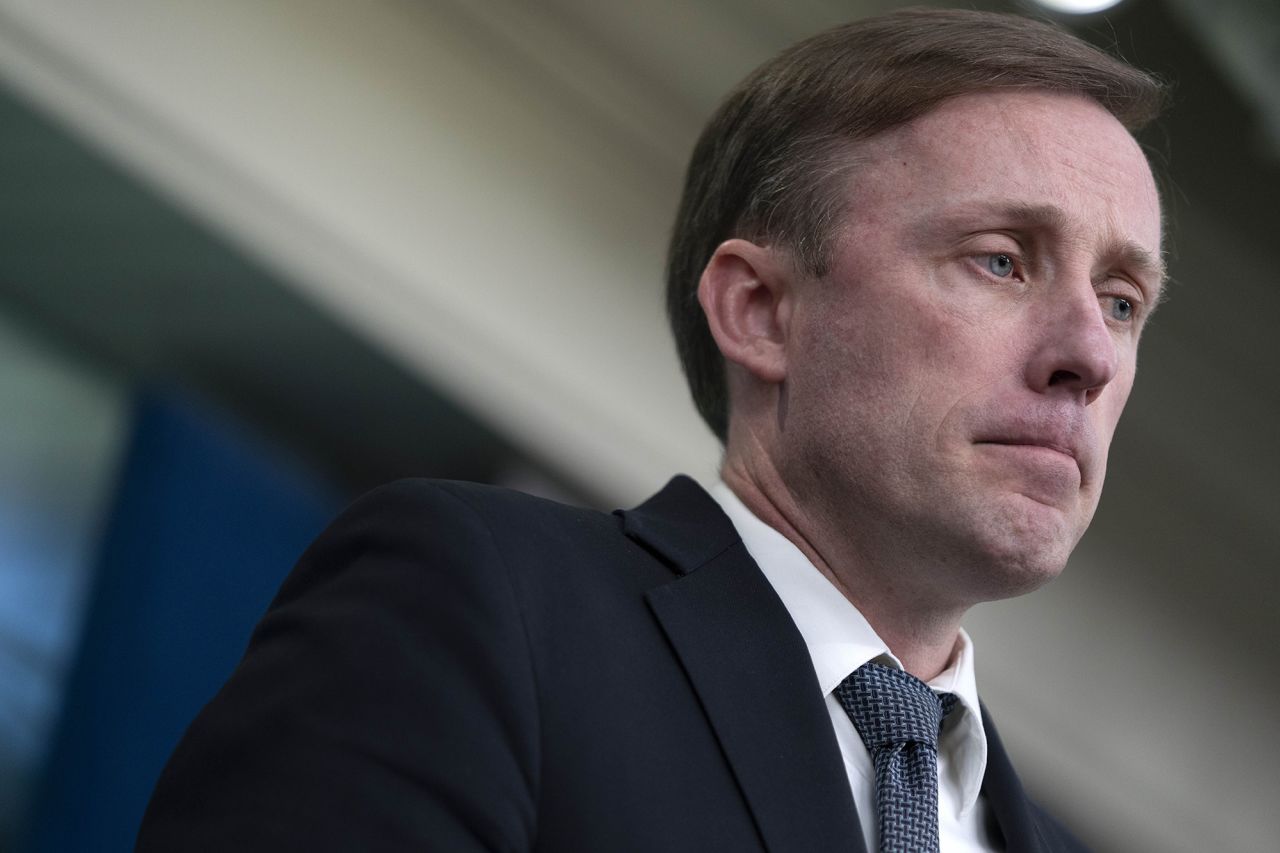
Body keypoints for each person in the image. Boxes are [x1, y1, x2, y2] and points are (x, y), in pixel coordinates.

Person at [137, 8, 1166, 853]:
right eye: (1000, 259)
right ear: (761, 311)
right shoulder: (483, 606)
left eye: (1122, 300)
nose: (1089, 352)